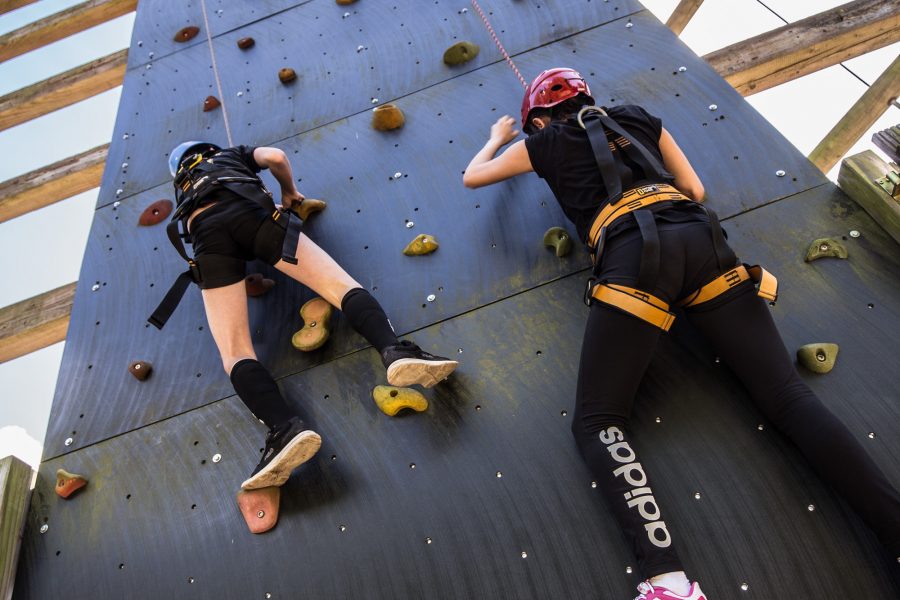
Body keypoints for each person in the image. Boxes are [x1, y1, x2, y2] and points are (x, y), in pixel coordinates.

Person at [462, 68, 900, 600]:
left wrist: (495, 140)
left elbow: (473, 177)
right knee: (787, 396)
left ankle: (668, 581)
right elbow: (694, 188)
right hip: (703, 242)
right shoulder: (639, 119)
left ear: (536, 119)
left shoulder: (546, 142)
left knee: (599, 420)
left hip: (633, 261)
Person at [150, 141, 458, 491]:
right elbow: (276, 157)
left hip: (208, 238)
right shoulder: (231, 155)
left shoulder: (186, 189)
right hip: (255, 215)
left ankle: (284, 430)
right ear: (209, 149)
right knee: (340, 288)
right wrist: (289, 192)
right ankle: (395, 351)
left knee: (235, 353)